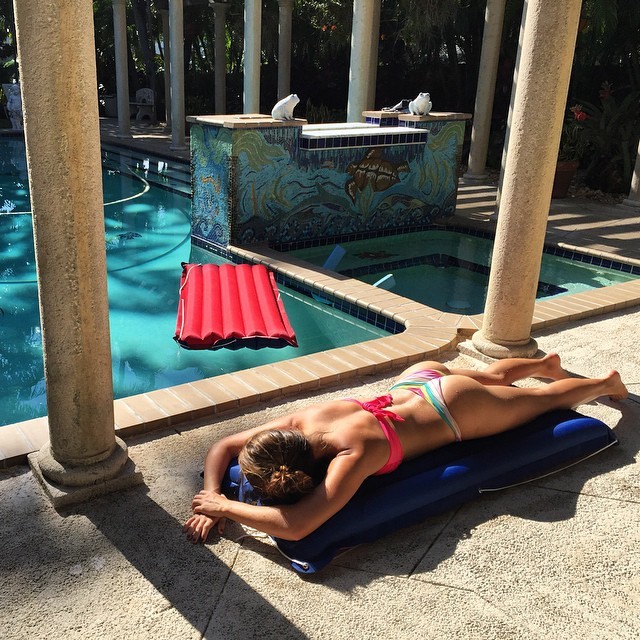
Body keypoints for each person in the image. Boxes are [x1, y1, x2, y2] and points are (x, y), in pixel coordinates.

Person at [184, 354, 627, 543]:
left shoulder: (352, 455)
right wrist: (212, 492)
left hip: (456, 410)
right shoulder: (302, 423)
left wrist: (222, 506)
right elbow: (224, 445)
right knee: (493, 376)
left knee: (546, 401)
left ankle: (605, 383)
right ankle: (544, 363)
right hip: (418, 381)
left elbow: (297, 526)